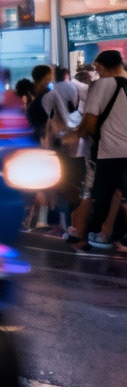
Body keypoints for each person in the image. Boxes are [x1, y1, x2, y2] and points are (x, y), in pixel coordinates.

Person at [77, 50, 127, 251]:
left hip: (110, 150)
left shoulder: (102, 84)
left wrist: (75, 134)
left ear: (102, 66)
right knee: (123, 195)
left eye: (97, 68)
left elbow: (89, 123)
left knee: (102, 195)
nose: (96, 72)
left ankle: (96, 235)